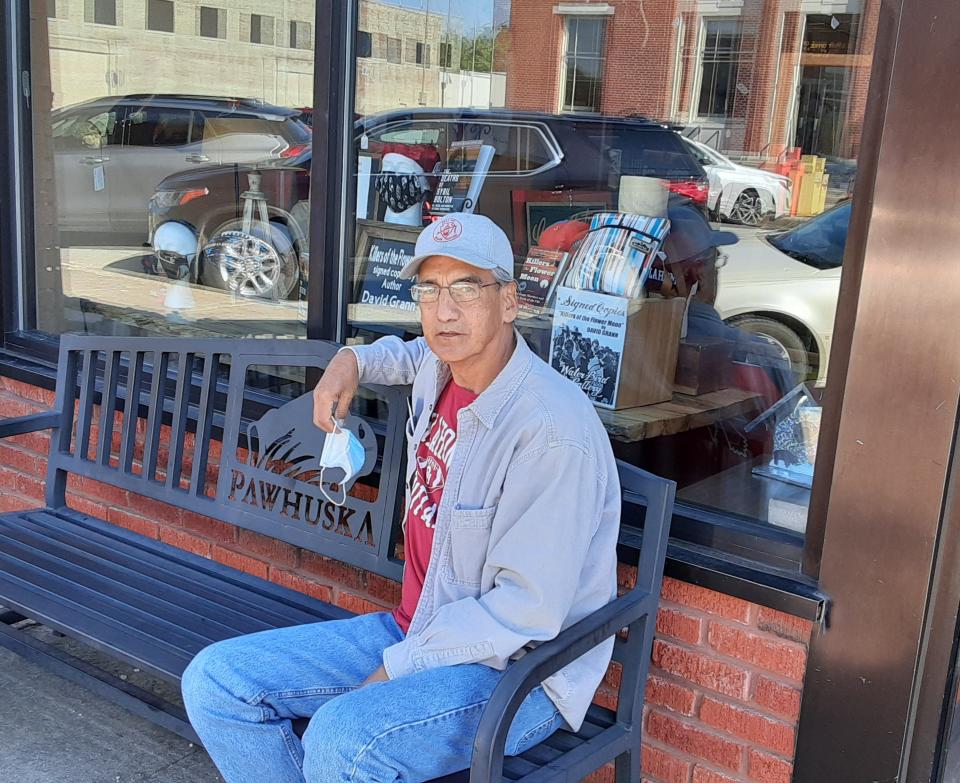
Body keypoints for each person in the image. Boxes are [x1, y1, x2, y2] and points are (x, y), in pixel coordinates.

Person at [181, 213, 622, 783]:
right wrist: (352, 361)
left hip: (516, 670)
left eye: (467, 287)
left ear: (510, 301)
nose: (445, 311)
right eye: (430, 289)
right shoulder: (445, 366)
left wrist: (396, 670)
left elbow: (526, 609)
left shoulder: (550, 431)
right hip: (420, 627)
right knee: (217, 682)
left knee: (343, 739)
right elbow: (412, 354)